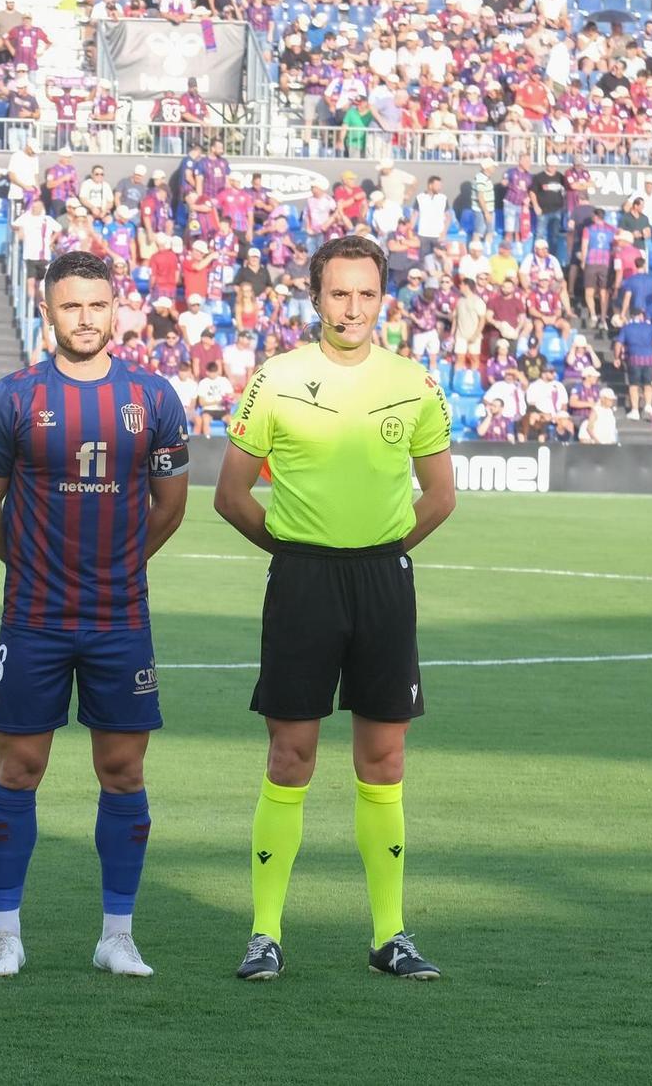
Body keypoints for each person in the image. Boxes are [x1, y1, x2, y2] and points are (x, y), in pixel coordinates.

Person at [213, 234, 457, 982]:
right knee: (291, 756)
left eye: (365, 294)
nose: (352, 307)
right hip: (303, 583)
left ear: (383, 298)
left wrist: (379, 547)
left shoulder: (413, 381)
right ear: (314, 295)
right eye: (338, 293)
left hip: (384, 584)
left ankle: (390, 934)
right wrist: (297, 550)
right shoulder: (277, 379)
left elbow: (441, 495)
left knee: (384, 760)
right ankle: (264, 933)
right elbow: (230, 494)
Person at [0, 251, 190, 979]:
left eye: (97, 305)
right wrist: (33, 568)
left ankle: (116, 935)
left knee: (122, 770)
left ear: (115, 308)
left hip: (120, 618)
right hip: (33, 617)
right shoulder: (12, 397)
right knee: (19, 765)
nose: (85, 319)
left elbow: (170, 508)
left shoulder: (154, 399)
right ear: (48, 308)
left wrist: (117, 566)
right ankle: (5, 933)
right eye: (71, 306)